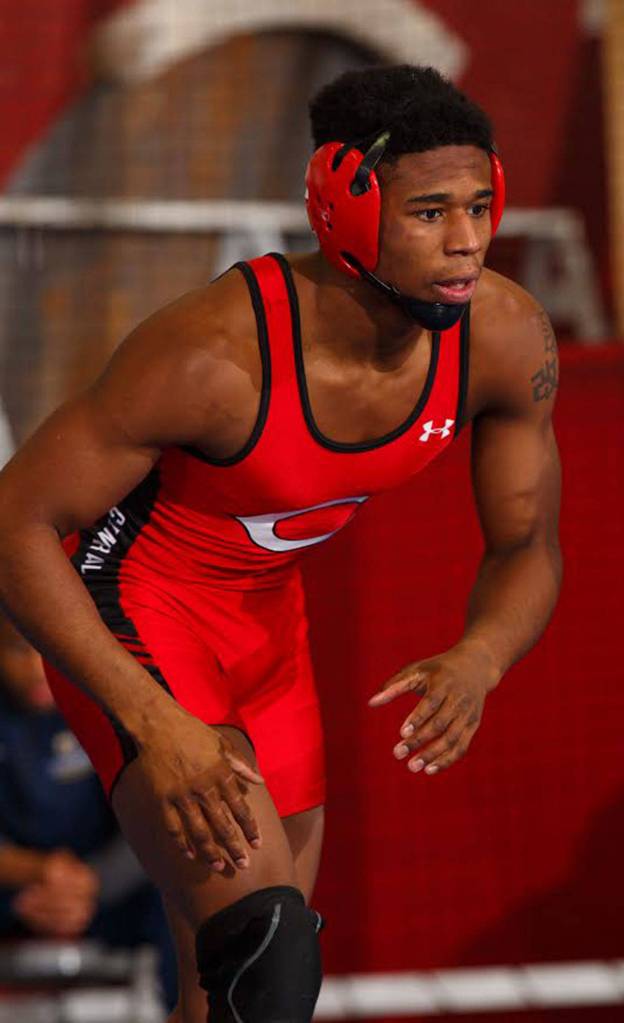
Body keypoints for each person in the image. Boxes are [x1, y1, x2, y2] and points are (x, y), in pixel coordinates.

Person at [0, 64, 561, 1022]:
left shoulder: (501, 336)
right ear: (347, 206)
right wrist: (152, 718)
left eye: (479, 205)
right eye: (430, 212)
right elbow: (15, 521)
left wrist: (482, 654)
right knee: (266, 954)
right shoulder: (214, 354)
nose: (467, 241)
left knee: (233, 981)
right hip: (139, 611)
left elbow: (528, 543)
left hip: (267, 631)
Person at [0, 611, 178, 1011]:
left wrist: (90, 883)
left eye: (47, 649)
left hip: (102, 887)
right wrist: (38, 873)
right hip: (15, 889)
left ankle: (176, 1010)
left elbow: (154, 823)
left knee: (180, 886)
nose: (36, 667)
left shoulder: (111, 705)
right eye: (19, 649)